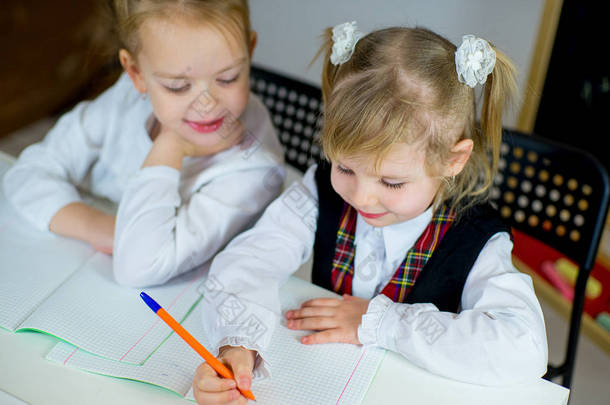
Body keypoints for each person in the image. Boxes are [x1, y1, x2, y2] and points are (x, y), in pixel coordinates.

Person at [192, 22, 548, 404]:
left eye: (392, 183)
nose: (361, 198)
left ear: (452, 159)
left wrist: (381, 323)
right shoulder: (318, 193)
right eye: (344, 168)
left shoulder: (476, 238)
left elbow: (523, 346)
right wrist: (236, 345)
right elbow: (252, 260)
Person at [3, 0, 285, 287]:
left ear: (249, 52)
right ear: (136, 73)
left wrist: (170, 147)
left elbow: (138, 266)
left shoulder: (254, 168)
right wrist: (102, 228)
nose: (207, 103)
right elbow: (24, 175)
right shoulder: (126, 98)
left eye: (228, 78)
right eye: (177, 86)